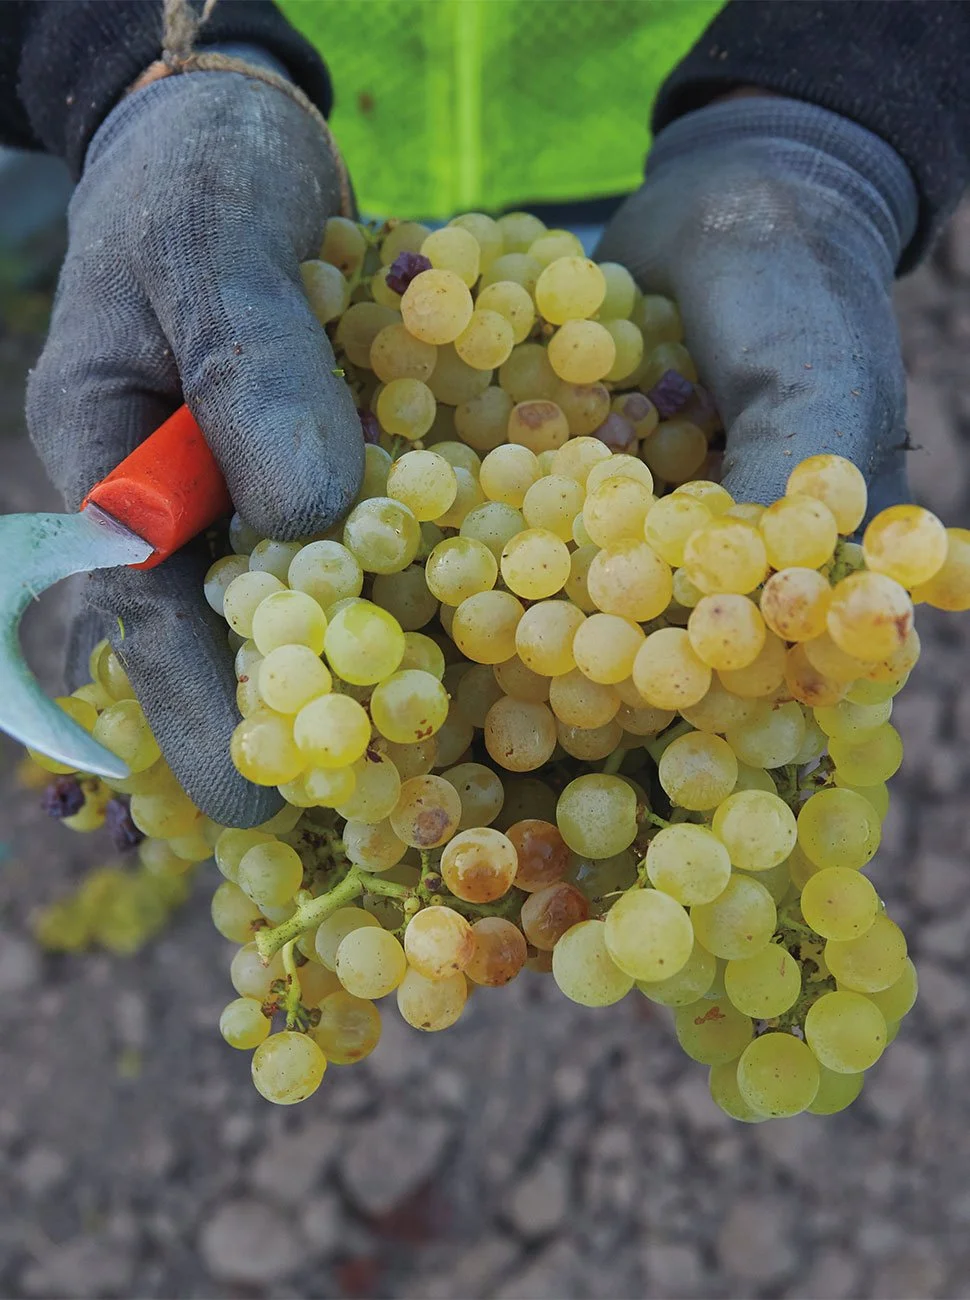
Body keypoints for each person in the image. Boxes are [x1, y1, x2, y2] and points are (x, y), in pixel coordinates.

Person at [0, 0, 968, 826]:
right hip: (304, 176)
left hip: (660, 134)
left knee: (605, 375)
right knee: (302, 383)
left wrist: (836, 82)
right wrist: (130, 44)